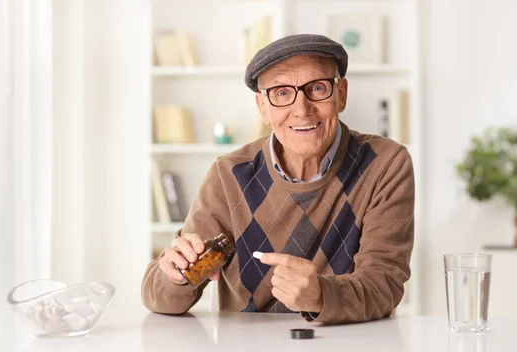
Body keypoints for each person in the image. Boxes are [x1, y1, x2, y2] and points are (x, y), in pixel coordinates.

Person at [141, 34, 415, 324]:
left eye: (318, 88)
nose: (302, 109)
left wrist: (322, 295)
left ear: (341, 94)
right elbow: (157, 297)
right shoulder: (228, 174)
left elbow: (384, 284)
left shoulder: (385, 164)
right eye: (282, 93)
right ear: (263, 107)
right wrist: (175, 277)